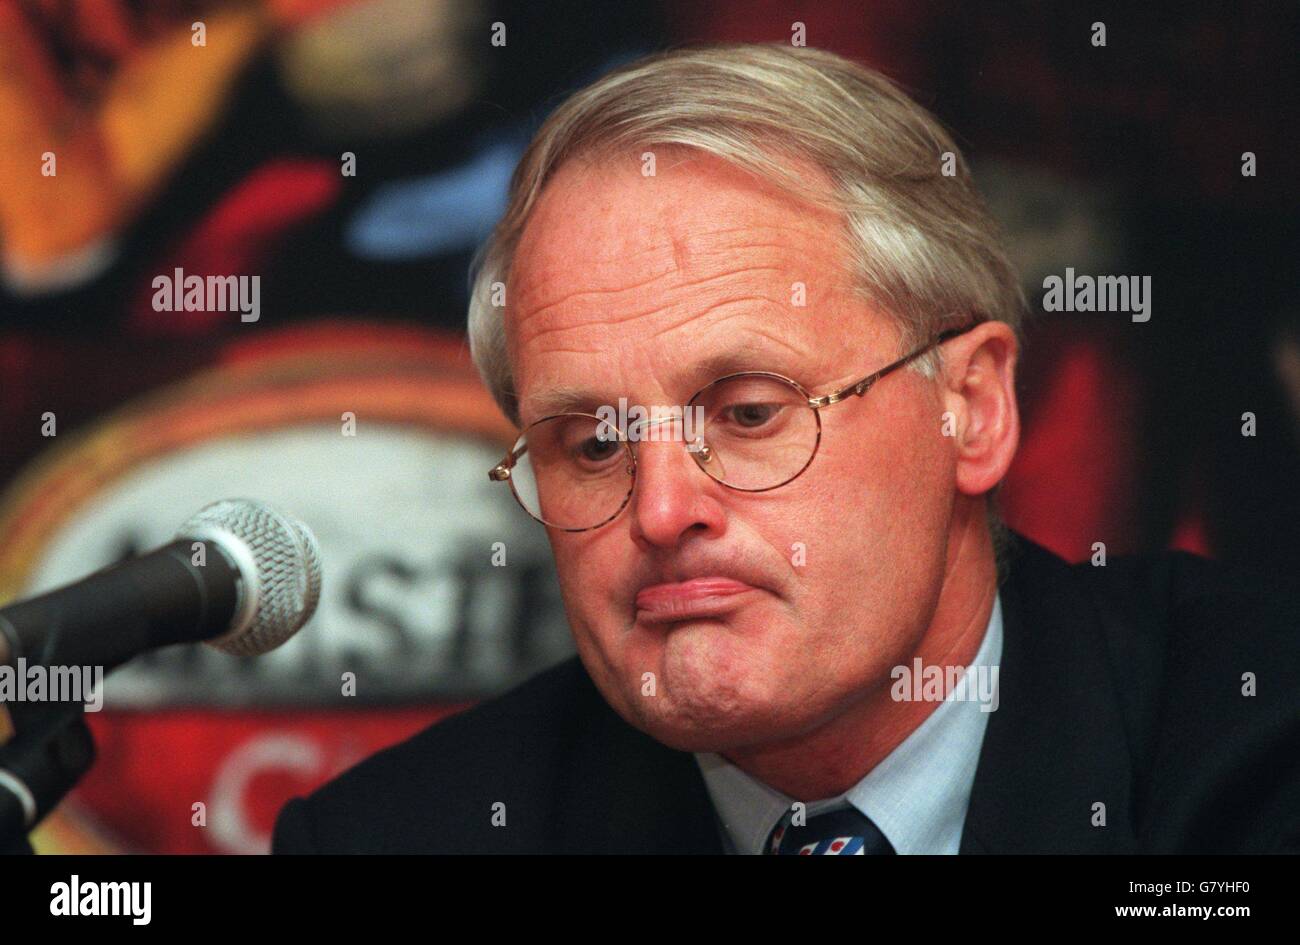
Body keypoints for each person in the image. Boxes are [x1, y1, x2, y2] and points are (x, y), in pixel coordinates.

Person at [273, 44, 1299, 854]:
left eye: (750, 414)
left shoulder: (1251, 748)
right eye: (590, 443)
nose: (661, 511)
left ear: (973, 407)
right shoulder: (398, 836)